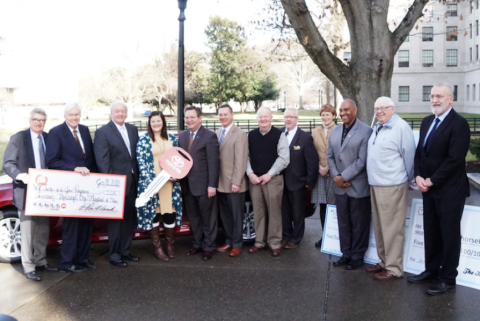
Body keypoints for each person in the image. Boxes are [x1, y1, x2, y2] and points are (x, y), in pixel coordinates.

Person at [408, 82, 470, 295]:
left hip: (450, 191)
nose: (434, 100)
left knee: (449, 234)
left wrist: (431, 180)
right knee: (431, 231)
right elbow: (419, 153)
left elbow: (455, 160)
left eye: (439, 96)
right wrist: (418, 176)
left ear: (450, 99)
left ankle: (447, 277)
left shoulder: (459, 124)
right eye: (432, 96)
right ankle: (432, 270)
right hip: (428, 189)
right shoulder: (427, 122)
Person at [3, 108, 57, 281]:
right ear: (30, 120)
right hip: (26, 191)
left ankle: (40, 261)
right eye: (35, 119)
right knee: (27, 232)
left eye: (42, 120)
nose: (38, 123)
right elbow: (8, 163)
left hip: (45, 194)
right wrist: (20, 175)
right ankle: (29, 267)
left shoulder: (48, 138)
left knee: (42, 229)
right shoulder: (18, 138)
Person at [366, 97, 415, 280]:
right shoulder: (378, 126)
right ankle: (383, 261)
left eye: (383, 108)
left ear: (392, 109)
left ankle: (394, 268)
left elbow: (409, 157)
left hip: (392, 185)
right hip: (376, 183)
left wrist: (408, 179)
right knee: (379, 226)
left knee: (392, 229)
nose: (379, 111)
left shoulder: (401, 128)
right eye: (376, 108)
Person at [46, 103, 98, 273]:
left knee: (86, 224)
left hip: (87, 186)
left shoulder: (84, 129)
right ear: (65, 115)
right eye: (71, 115)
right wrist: (74, 168)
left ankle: (82, 258)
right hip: (69, 187)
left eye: (77, 114)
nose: (74, 117)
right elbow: (52, 161)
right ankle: (66, 263)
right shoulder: (56, 132)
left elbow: (88, 158)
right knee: (71, 226)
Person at [327, 99, 372, 270]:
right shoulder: (336, 130)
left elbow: (362, 161)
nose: (343, 113)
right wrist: (336, 176)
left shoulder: (366, 131)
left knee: (359, 223)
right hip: (340, 186)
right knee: (344, 222)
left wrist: (344, 177)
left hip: (357, 186)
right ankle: (345, 254)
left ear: (355, 110)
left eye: (346, 109)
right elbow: (329, 156)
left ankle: (357, 256)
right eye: (341, 110)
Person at [94, 102, 140, 268]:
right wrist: (111, 184)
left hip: (133, 182)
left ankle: (126, 251)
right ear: (111, 113)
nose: (120, 114)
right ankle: (114, 255)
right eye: (117, 111)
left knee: (129, 219)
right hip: (115, 185)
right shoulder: (102, 132)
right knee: (115, 222)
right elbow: (102, 161)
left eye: (123, 111)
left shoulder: (133, 130)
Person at [136, 111, 182, 261]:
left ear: (163, 122)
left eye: (159, 121)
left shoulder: (172, 139)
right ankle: (158, 249)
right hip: (153, 185)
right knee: (154, 214)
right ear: (149, 123)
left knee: (170, 214)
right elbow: (141, 164)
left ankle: (170, 246)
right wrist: (151, 186)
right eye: (153, 121)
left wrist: (177, 174)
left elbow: (178, 159)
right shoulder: (143, 140)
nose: (156, 124)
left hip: (170, 185)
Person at [178, 106, 219, 261]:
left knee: (208, 218)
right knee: (194, 218)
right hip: (187, 186)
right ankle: (197, 244)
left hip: (204, 186)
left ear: (200, 118)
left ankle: (208, 247)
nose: (189, 120)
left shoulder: (209, 136)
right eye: (186, 117)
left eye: (192, 117)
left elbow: (214, 163)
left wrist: (212, 186)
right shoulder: (182, 137)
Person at [247, 107, 289, 257]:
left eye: (266, 116)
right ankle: (259, 242)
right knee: (258, 212)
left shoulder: (279, 135)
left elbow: (284, 158)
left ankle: (275, 243)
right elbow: (246, 157)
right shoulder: (250, 135)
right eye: (260, 117)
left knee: (274, 212)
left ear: (271, 118)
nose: (263, 119)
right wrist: (250, 173)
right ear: (257, 118)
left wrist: (269, 174)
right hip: (255, 180)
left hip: (273, 179)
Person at [281, 107, 318, 249]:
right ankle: (286, 236)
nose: (288, 119)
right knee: (284, 212)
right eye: (286, 117)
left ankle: (295, 239)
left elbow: (312, 162)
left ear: (297, 119)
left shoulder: (305, 137)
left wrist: (309, 182)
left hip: (298, 183)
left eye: (291, 117)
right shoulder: (279, 134)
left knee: (298, 213)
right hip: (281, 182)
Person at [215, 105, 248, 257]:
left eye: (225, 114)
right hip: (220, 183)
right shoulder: (217, 133)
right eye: (220, 114)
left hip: (234, 183)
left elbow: (241, 160)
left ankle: (237, 244)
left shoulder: (240, 134)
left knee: (236, 215)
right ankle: (228, 241)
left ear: (232, 115)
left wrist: (237, 181)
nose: (222, 117)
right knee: (225, 215)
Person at [311, 104, 337, 248]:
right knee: (323, 205)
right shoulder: (315, 131)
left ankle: (336, 236)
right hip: (320, 173)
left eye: (328, 114)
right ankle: (325, 236)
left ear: (334, 116)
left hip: (334, 173)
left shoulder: (339, 130)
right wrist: (319, 167)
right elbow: (311, 152)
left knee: (334, 206)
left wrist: (328, 168)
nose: (325, 117)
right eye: (323, 114)